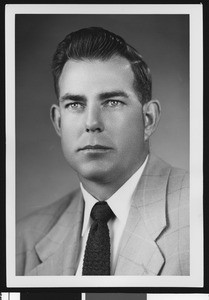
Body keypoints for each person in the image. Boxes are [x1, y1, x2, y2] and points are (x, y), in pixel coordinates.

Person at [16, 27, 189, 276]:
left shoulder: (196, 215)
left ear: (148, 119)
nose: (92, 122)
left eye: (112, 102)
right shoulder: (21, 239)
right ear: (58, 121)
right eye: (75, 104)